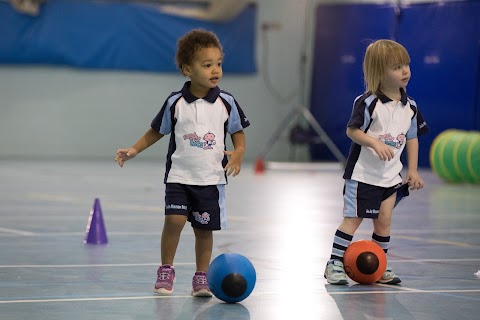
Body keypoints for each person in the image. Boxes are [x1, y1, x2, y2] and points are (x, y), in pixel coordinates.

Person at [115, 29, 250, 296]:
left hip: (210, 179)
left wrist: (239, 151)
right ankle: (166, 269)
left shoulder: (227, 102)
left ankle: (201, 276)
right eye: (207, 64)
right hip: (179, 176)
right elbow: (157, 130)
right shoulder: (175, 102)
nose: (216, 70)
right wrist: (134, 150)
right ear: (187, 69)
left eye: (219, 64)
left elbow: (238, 131)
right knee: (174, 221)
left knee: (203, 230)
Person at [324, 39, 429, 285]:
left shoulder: (411, 107)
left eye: (406, 65)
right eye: (397, 67)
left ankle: (380, 266)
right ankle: (334, 263)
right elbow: (353, 131)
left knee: (384, 221)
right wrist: (374, 143)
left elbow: (412, 138)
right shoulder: (368, 102)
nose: (405, 71)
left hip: (390, 178)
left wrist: (412, 170)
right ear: (380, 73)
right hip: (363, 175)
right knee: (354, 219)